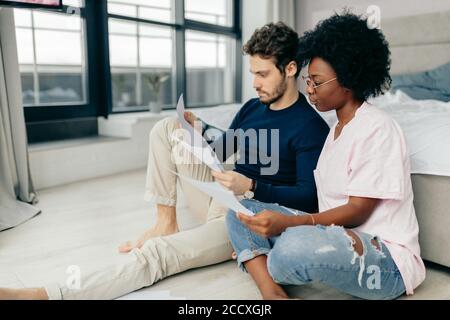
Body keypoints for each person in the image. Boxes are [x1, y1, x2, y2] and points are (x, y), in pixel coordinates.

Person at [0, 22, 329, 300]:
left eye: (262, 73)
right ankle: (165, 221)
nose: (255, 82)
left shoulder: (310, 127)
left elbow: (309, 199)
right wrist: (200, 130)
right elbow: (224, 149)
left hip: (247, 215)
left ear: (289, 69)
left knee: (159, 256)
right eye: (252, 73)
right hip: (223, 191)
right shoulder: (252, 107)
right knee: (166, 128)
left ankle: (48, 293)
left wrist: (254, 185)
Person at [226, 12, 426, 300]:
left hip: (387, 260)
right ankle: (272, 292)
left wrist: (287, 226)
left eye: (316, 82)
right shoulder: (335, 131)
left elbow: (359, 211)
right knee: (240, 212)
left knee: (290, 250)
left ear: (347, 80)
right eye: (308, 80)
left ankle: (256, 257)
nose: (308, 90)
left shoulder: (377, 127)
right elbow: (322, 205)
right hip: (333, 233)